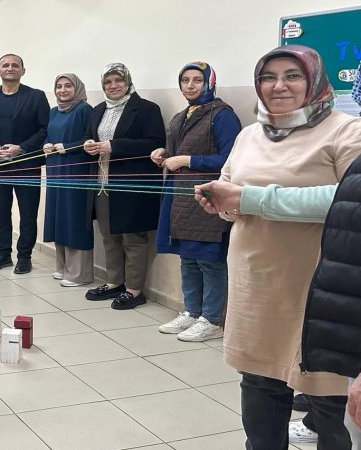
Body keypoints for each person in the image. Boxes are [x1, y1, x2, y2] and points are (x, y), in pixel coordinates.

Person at [194, 45, 361, 450]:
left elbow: (345, 201)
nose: (279, 85)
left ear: (314, 80)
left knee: (326, 396)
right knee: (260, 384)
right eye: (269, 77)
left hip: (317, 288)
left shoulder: (346, 131)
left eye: (292, 75)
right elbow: (231, 187)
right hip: (257, 283)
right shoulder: (250, 134)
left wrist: (248, 199)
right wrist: (222, 204)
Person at [149, 62, 241, 341]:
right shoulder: (181, 116)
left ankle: (211, 319)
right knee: (188, 259)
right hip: (180, 198)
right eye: (185, 80)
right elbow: (179, 150)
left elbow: (231, 159)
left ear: (210, 83)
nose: (190, 86)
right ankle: (191, 311)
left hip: (207, 198)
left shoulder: (222, 115)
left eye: (197, 80)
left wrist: (187, 161)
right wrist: (164, 153)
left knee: (209, 261)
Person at [83, 63, 165, 309]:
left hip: (132, 184)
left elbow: (155, 142)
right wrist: (88, 144)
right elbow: (91, 137)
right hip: (103, 183)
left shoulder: (146, 109)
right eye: (108, 82)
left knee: (133, 237)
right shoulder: (98, 110)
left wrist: (115, 146)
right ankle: (114, 283)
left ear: (128, 82)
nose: (113, 86)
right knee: (109, 236)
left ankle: (134, 289)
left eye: (118, 80)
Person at [0, 53, 49, 274]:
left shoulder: (36, 96)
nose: (10, 68)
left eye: (15, 65)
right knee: (1, 211)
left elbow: (44, 129)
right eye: (5, 65)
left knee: (28, 212)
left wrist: (22, 147)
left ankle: (24, 257)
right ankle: (3, 254)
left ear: (23, 71)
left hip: (27, 163)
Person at [42, 73, 95, 287]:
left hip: (75, 172)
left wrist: (70, 146)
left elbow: (91, 139)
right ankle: (62, 267)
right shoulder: (54, 111)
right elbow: (49, 134)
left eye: (68, 86)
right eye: (59, 86)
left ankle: (78, 273)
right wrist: (46, 144)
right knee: (58, 217)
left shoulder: (84, 110)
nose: (62, 90)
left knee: (74, 219)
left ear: (77, 88)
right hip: (55, 170)